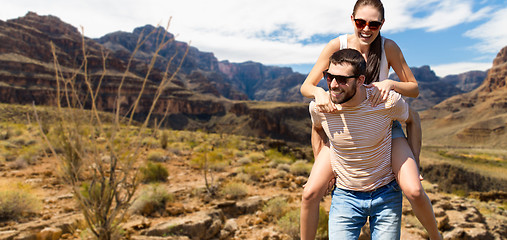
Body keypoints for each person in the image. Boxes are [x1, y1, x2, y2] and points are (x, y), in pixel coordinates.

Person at [299, 0, 442, 239]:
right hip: (343, 124)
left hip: (382, 121)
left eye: (374, 24)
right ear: (352, 19)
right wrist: (319, 92)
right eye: (360, 22)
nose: (367, 28)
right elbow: (307, 85)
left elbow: (414, 89)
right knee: (311, 191)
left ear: (382, 24)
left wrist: (391, 83)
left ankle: (436, 235)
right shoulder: (338, 46)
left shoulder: (388, 47)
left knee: (412, 188)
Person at [310, 48, 413, 238]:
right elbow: (316, 129)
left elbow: (413, 119)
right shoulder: (320, 107)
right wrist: (322, 169)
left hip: (386, 194)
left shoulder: (386, 102)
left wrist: (415, 162)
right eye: (329, 77)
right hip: (345, 196)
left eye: (342, 79)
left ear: (360, 81)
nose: (333, 85)